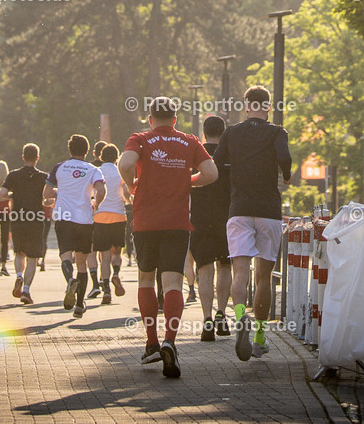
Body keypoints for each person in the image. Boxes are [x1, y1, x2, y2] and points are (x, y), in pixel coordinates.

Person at [119, 96, 217, 379]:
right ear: (175, 119)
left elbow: (125, 163)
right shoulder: (188, 141)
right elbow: (211, 173)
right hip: (177, 223)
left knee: (146, 278)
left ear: (150, 119)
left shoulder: (140, 138)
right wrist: (189, 180)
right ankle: (170, 340)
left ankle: (150, 342)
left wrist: (131, 184)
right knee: (173, 281)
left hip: (146, 222)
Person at [213, 85, 292, 361]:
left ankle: (238, 318)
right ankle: (259, 336)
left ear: (246, 106)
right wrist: (287, 173)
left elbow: (215, 162)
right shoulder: (276, 132)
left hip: (239, 210)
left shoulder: (231, 132)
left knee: (240, 272)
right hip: (268, 210)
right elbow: (284, 157)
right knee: (264, 277)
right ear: (268, 107)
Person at [43, 134, 105, 318]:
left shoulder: (59, 168)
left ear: (69, 149)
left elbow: (46, 193)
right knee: (82, 263)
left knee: (65, 256)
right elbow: (101, 190)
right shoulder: (93, 169)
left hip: (64, 217)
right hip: (85, 219)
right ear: (87, 151)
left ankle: (70, 280)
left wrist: (60, 192)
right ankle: (79, 306)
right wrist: (96, 204)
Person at [190, 115, 233, 341]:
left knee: (204, 269)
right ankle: (222, 314)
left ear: (203, 133)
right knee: (225, 266)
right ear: (223, 133)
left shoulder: (195, 155)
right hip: (227, 219)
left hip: (199, 219)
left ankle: (206, 319)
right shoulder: (231, 156)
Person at [0, 144, 48, 304]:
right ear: (37, 158)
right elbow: (47, 198)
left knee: (19, 252)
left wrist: (14, 194)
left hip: (18, 218)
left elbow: (2, 193)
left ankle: (19, 276)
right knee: (33, 258)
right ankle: (26, 290)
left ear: (23, 157)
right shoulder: (43, 177)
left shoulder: (13, 175)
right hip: (36, 219)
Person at [92, 143, 130, 304]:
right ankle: (116, 273)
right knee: (117, 253)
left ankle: (106, 289)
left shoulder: (97, 171)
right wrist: (128, 200)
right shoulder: (120, 172)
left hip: (99, 216)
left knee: (104, 255)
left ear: (101, 156)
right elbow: (127, 193)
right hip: (118, 216)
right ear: (117, 157)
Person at [85, 141, 107, 299]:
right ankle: (104, 279)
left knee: (91, 250)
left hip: (92, 214)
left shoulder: (89, 169)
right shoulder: (113, 167)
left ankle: (94, 283)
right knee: (104, 251)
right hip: (110, 215)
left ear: (94, 153)